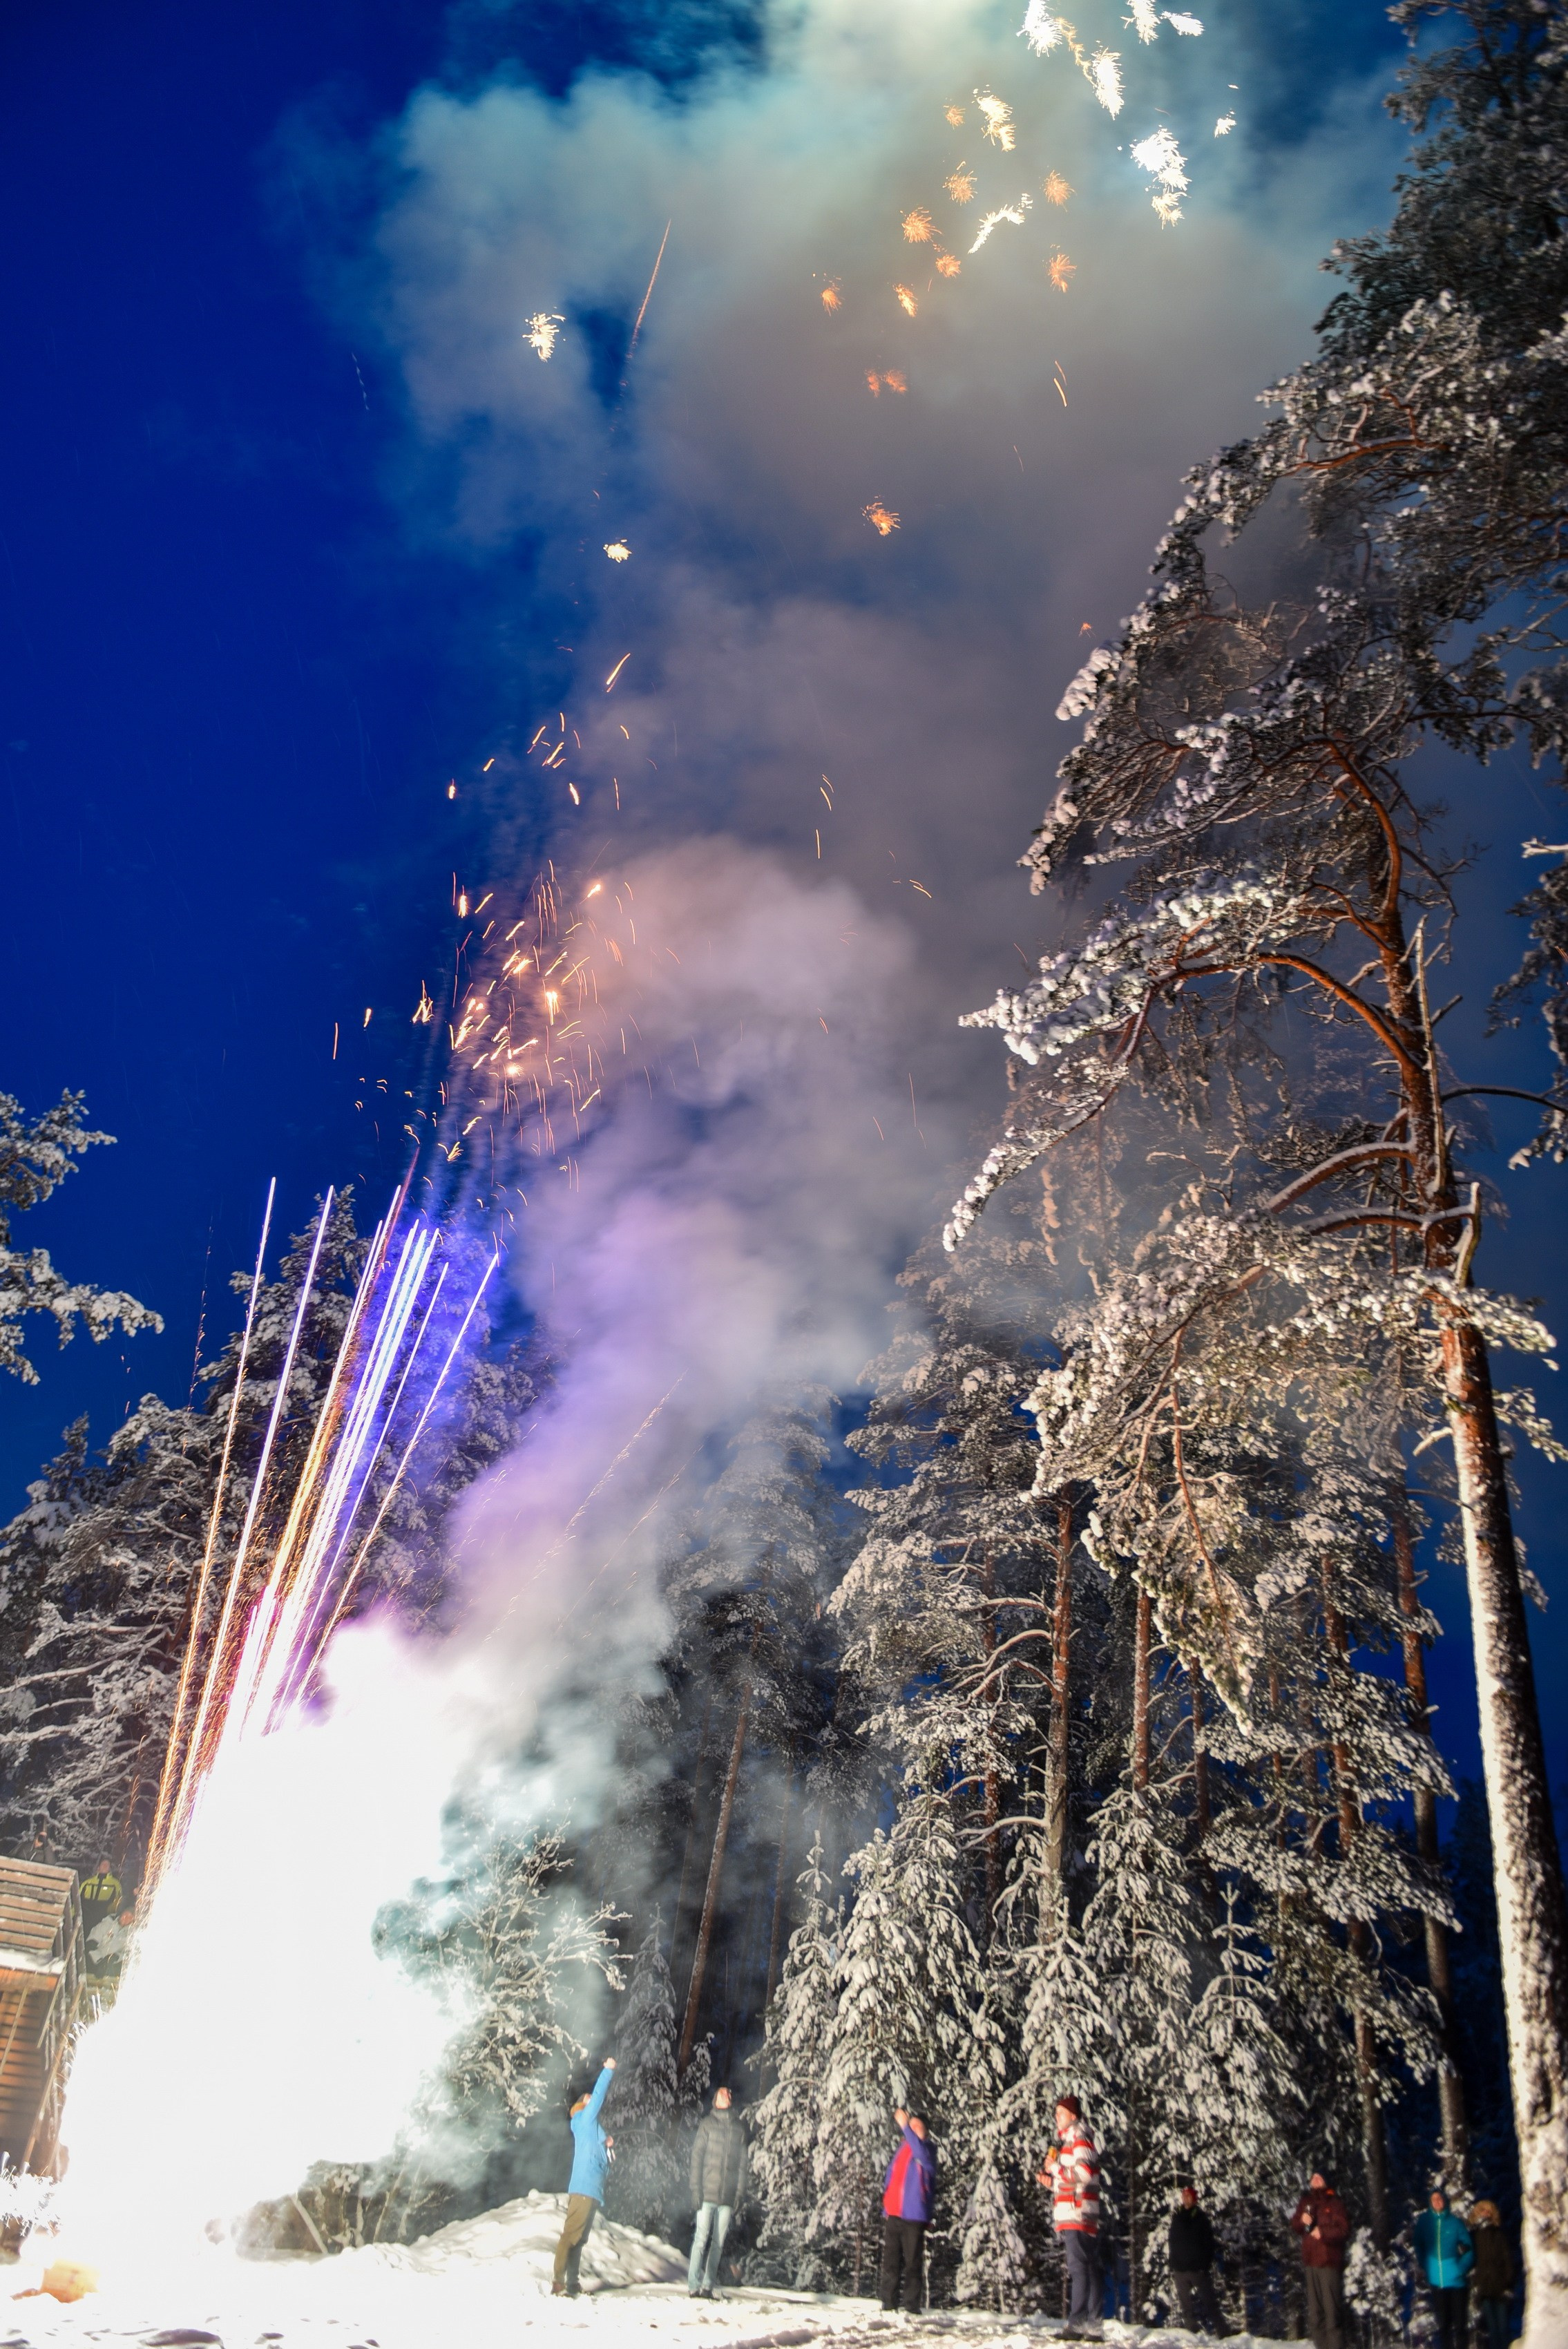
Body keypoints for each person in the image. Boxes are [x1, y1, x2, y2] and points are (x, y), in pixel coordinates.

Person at [1038, 2094, 1102, 2341]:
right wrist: (1051, 2182)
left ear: (1073, 2116)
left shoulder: (1079, 2139)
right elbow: (1072, 2180)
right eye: (1056, 2113)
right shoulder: (1071, 2141)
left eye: (1061, 2113)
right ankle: (1094, 2326)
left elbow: (1084, 2174)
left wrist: (1056, 2169)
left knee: (1079, 2267)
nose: (1057, 2117)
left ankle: (1078, 2324)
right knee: (1088, 2267)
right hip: (1078, 2210)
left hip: (1079, 2212)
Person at [551, 2057, 615, 2297]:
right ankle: (558, 2281)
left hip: (592, 2190)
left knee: (579, 2239)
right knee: (571, 2235)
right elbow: (597, 2097)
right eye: (587, 2100)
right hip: (583, 2188)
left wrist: (606, 2143)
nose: (592, 2102)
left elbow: (602, 2162)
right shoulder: (583, 2119)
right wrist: (608, 2071)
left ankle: (572, 2283)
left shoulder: (593, 2132)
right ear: (581, 2106)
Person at [688, 2085, 747, 2299]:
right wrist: (695, 2189)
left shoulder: (739, 2128)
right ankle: (693, 2286)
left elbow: (743, 2164)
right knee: (701, 2238)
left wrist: (740, 2192)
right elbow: (697, 2158)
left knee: (718, 2243)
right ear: (716, 2100)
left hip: (728, 2196)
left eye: (730, 2092)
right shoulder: (707, 2125)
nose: (728, 2093)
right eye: (723, 2092)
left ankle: (707, 2287)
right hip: (707, 2193)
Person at [880, 2104, 935, 2314]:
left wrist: (905, 2126)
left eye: (916, 2127)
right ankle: (888, 2305)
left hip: (914, 2215)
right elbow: (891, 2176)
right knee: (890, 2262)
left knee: (913, 2263)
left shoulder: (927, 2150)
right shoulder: (903, 2150)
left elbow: (920, 2152)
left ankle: (912, 2308)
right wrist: (886, 2207)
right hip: (894, 2213)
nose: (910, 2130)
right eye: (909, 2127)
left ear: (925, 2132)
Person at [1289, 2171, 1350, 2349]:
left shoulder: (1335, 2203)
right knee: (1315, 2317)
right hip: (1310, 2263)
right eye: (1313, 2177)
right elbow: (1295, 2225)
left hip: (1329, 2262)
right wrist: (1302, 2221)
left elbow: (1344, 2230)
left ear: (1326, 2181)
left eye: (1319, 2177)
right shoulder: (1305, 2202)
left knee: (1332, 2315)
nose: (1315, 2180)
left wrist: (1323, 2233)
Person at [1415, 2187, 1474, 2349]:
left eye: (1440, 2199)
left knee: (1460, 2326)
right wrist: (1425, 2264)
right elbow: (1418, 2245)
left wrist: (1460, 2268)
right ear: (1430, 2203)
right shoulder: (1425, 2222)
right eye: (1434, 2200)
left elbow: (1469, 2249)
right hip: (1438, 2283)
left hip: (1457, 2283)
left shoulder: (1455, 2223)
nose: (1437, 2202)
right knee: (1443, 2327)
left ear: (1445, 2201)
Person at [1168, 2182, 1223, 2335]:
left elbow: (1209, 2243)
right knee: (1186, 2308)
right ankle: (1192, 2334)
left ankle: (1224, 2333)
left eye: (1189, 2196)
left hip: (1197, 2269)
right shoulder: (1177, 2216)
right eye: (1184, 2196)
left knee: (1210, 2303)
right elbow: (1172, 2240)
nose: (1186, 2199)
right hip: (1180, 2269)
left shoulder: (1201, 2218)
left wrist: (1204, 2264)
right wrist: (1173, 2262)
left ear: (1194, 2199)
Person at [1469, 2200, 1513, 2349]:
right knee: (1493, 2329)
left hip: (1500, 2287)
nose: (1486, 2214)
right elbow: (1472, 2260)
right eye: (1483, 2211)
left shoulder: (1498, 2234)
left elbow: (1506, 2258)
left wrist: (1508, 2283)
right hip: (1484, 2288)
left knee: (1502, 2328)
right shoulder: (1474, 2236)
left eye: (1489, 2211)